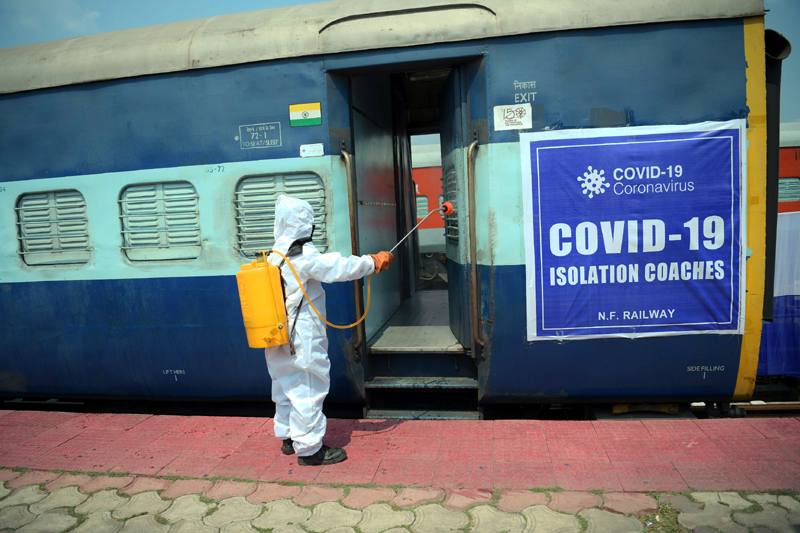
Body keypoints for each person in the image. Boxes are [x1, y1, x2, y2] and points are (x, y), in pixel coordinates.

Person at [265, 195, 394, 466]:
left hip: (276, 336)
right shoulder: (301, 255)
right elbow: (339, 268)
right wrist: (373, 262)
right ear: (306, 224)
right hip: (300, 337)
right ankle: (310, 450)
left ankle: (289, 438)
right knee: (308, 388)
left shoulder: (274, 254)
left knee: (284, 387)